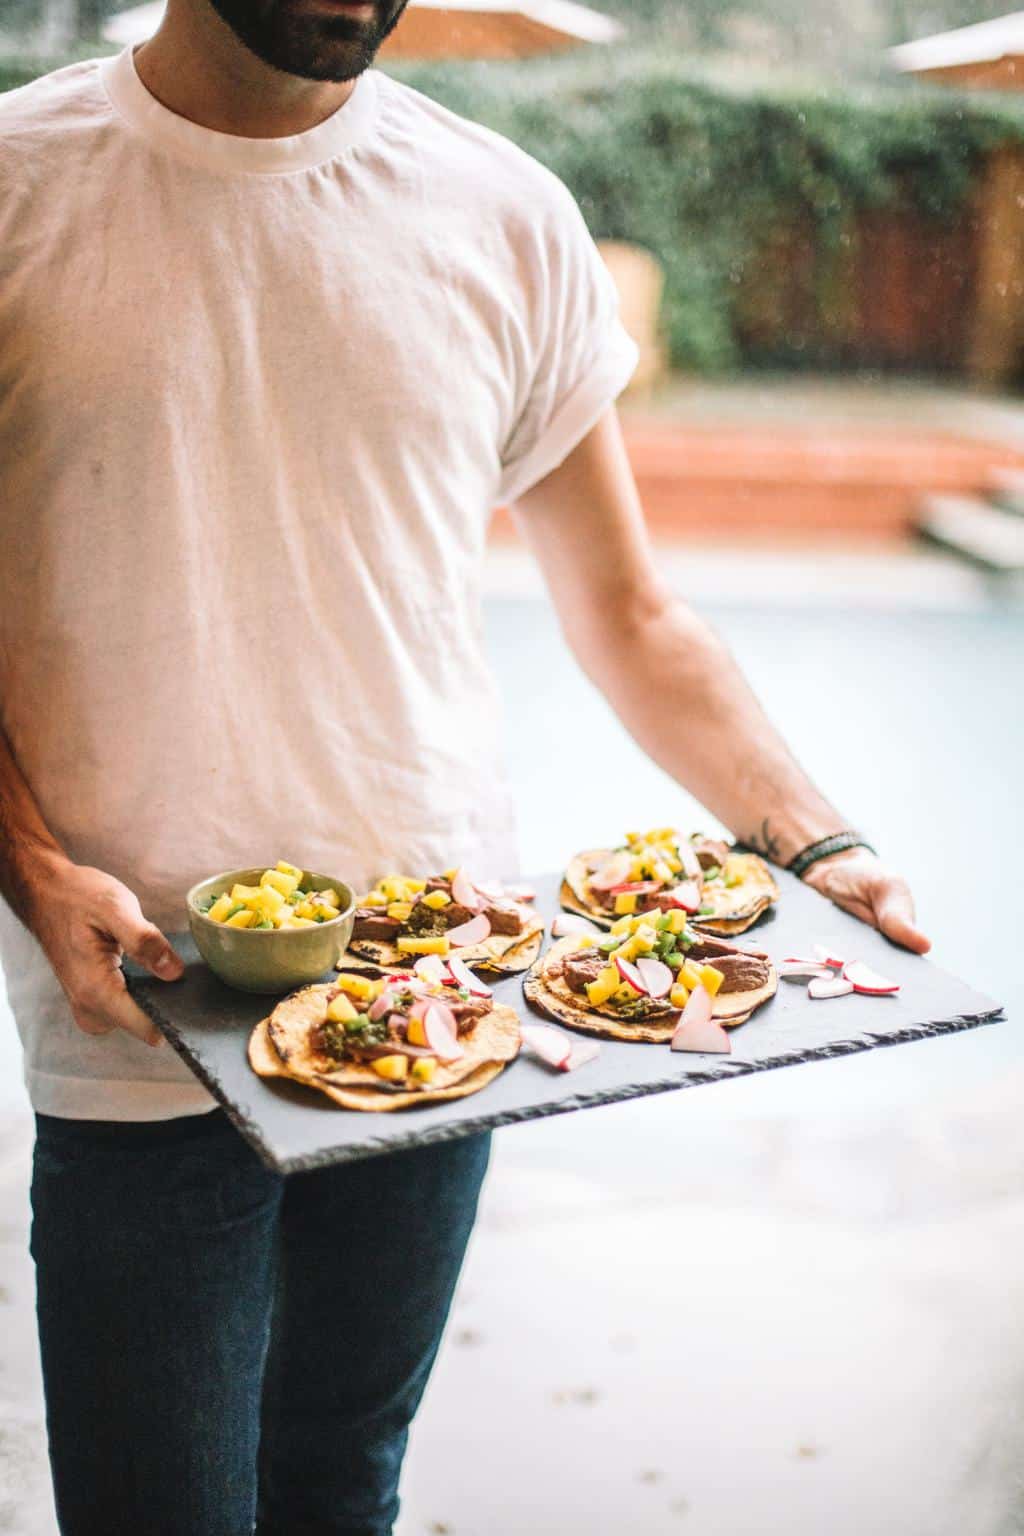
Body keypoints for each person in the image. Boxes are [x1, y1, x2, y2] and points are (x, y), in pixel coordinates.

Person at [0, 1, 930, 1531]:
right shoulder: (21, 185)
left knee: (342, 1486)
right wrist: (31, 866)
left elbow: (630, 614)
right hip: (143, 1027)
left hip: (443, 1008)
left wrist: (818, 842)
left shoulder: (501, 211)